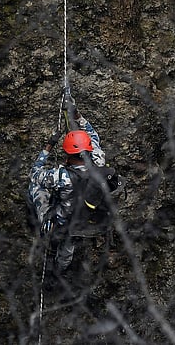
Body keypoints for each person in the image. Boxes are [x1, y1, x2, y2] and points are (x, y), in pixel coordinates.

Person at [28, 101, 120, 276]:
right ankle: (60, 271)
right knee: (68, 247)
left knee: (35, 188)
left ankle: (46, 235)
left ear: (67, 154)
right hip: (85, 219)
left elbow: (34, 174)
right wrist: (77, 115)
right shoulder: (98, 160)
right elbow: (92, 134)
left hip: (63, 221)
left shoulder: (60, 176)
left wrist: (48, 147)